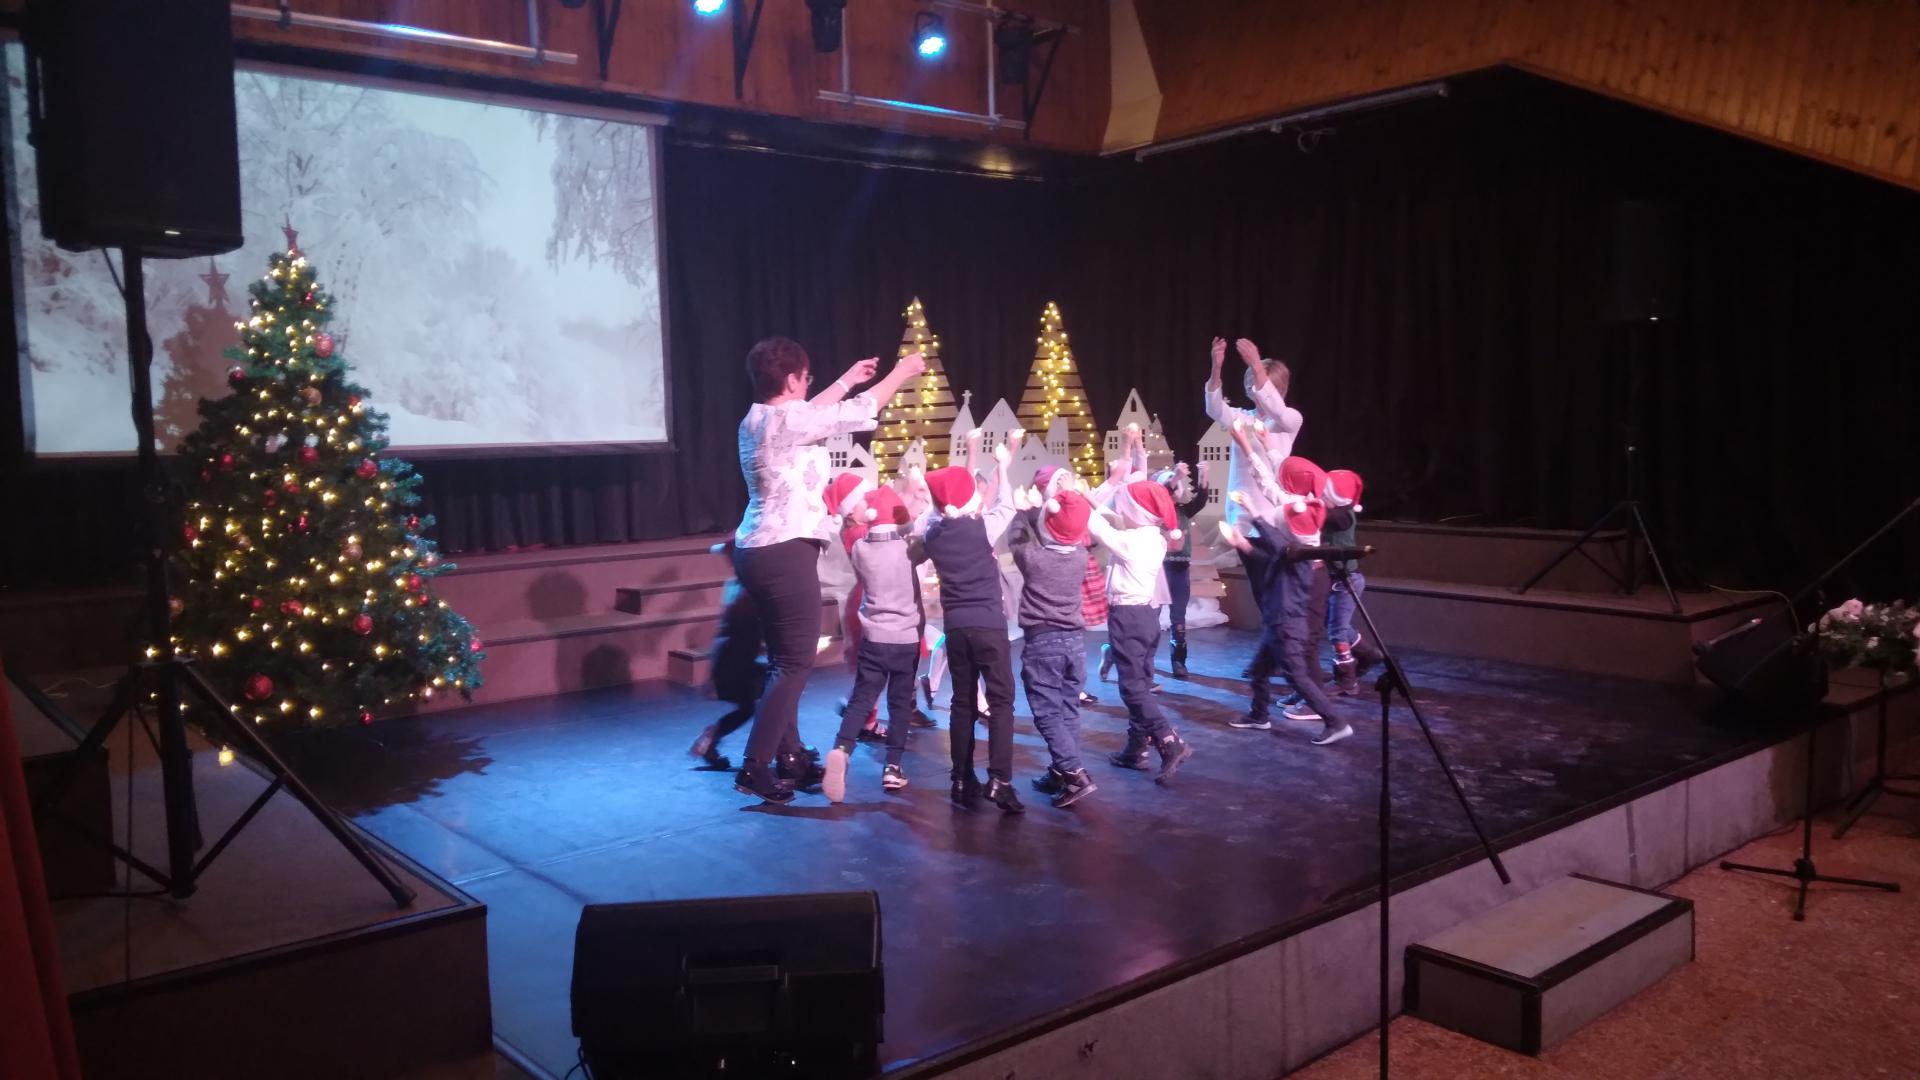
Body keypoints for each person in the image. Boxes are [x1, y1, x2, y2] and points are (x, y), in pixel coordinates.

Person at [730, 338, 926, 804]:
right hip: (784, 551)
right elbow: (857, 411)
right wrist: (901, 372)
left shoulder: (757, 418)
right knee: (794, 662)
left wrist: (845, 379)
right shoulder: (788, 420)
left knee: (783, 662)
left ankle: (790, 756)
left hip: (757, 548)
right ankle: (755, 765)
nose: (807, 385)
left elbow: (809, 414)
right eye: (806, 378)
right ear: (792, 379)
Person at [1219, 425, 1353, 746]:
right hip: (1278, 623)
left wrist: (1252, 515)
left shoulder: (1298, 549)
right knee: (1258, 672)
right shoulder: (1299, 522)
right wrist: (1256, 445)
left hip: (1286, 624)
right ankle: (1258, 715)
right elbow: (1274, 482)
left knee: (1297, 675)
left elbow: (1276, 543)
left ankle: (1335, 721)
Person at [916, 443, 1023, 812]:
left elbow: (926, 524)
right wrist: (1004, 466)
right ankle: (1000, 781)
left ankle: (961, 780)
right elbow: (1007, 506)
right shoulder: (982, 529)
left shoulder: (933, 536)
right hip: (989, 626)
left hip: (957, 630)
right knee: (1001, 702)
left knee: (962, 702)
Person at [1086, 427, 1194, 783]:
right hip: (1146, 617)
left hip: (1129, 618)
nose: (1121, 509)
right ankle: (1136, 748)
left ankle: (1169, 740)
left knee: (1131, 688)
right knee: (1141, 683)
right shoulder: (1151, 535)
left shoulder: (1132, 542)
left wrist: (1084, 493)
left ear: (1136, 512)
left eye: (1125, 506)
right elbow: (1114, 518)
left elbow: (1095, 524)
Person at [1203, 336, 1303, 679]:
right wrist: (1217, 368)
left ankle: (1279, 659)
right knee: (1264, 594)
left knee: (1278, 594)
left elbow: (1276, 409)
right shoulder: (1242, 419)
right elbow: (1215, 408)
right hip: (1246, 522)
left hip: (1274, 520)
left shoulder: (1287, 421)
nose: (1255, 388)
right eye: (1251, 381)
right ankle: (1273, 657)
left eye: (1260, 382)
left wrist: (1258, 364)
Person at [821, 484, 925, 802]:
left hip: (874, 638)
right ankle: (892, 767)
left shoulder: (860, 549)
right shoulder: (911, 549)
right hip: (905, 638)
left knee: (861, 700)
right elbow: (921, 528)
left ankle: (842, 749)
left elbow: (855, 527)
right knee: (899, 704)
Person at [1008, 481, 1099, 808]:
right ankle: (1061, 771)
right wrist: (1039, 513)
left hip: (1043, 642)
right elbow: (1053, 533)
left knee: (1047, 713)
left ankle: (1074, 773)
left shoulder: (1035, 558)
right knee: (1068, 709)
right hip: (1074, 643)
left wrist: (1025, 511)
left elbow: (1016, 538)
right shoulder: (1080, 555)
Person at [688, 540, 765, 771]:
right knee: (766, 702)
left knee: (754, 706)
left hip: (733, 658)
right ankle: (711, 739)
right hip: (737, 660)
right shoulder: (747, 589)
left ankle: (710, 740)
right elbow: (743, 628)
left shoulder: (736, 585)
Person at [1318, 468, 1382, 696]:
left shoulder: (1343, 516)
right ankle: (1369, 654)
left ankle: (1346, 681)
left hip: (1346, 580)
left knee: (1336, 631)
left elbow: (1323, 516)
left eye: (1324, 493)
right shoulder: (1334, 512)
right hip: (1334, 578)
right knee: (1336, 626)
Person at [1155, 459, 1209, 678]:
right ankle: (1139, 658)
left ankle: (1178, 662)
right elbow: (1163, 491)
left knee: (1178, 618)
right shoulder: (1155, 513)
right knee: (1151, 618)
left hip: (1180, 570)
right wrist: (1176, 476)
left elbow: (1201, 499)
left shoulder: (1184, 511)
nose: (1174, 492)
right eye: (1171, 488)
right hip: (1158, 570)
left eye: (1177, 487)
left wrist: (1204, 475)